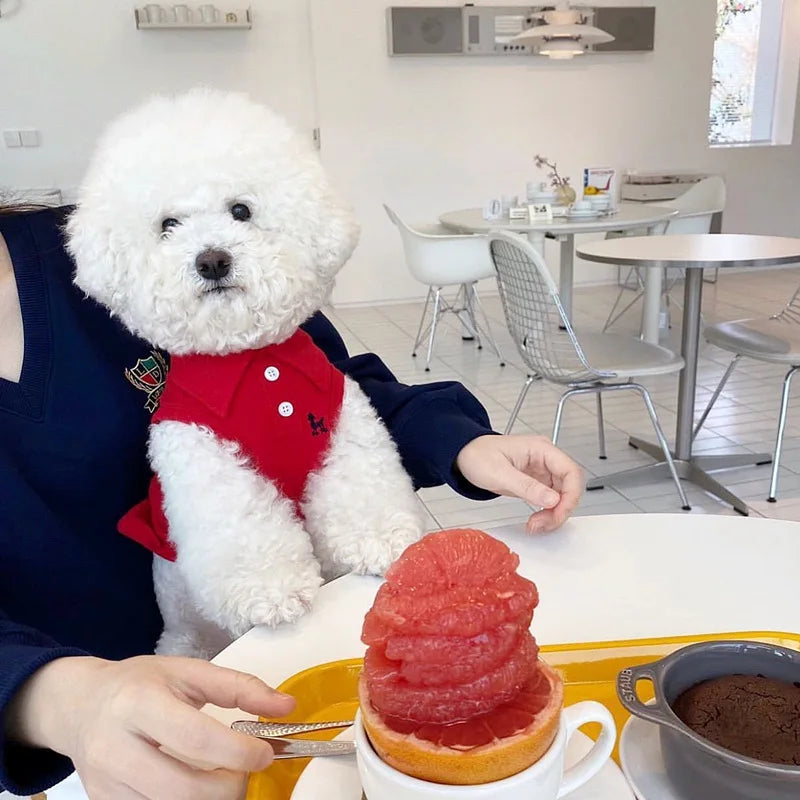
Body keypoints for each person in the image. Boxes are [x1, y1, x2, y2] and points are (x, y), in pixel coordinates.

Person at [0, 204, 582, 799]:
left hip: (319, 642)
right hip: (89, 742)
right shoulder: (130, 251)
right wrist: (55, 697)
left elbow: (325, 389)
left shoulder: (147, 224)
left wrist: (457, 441)